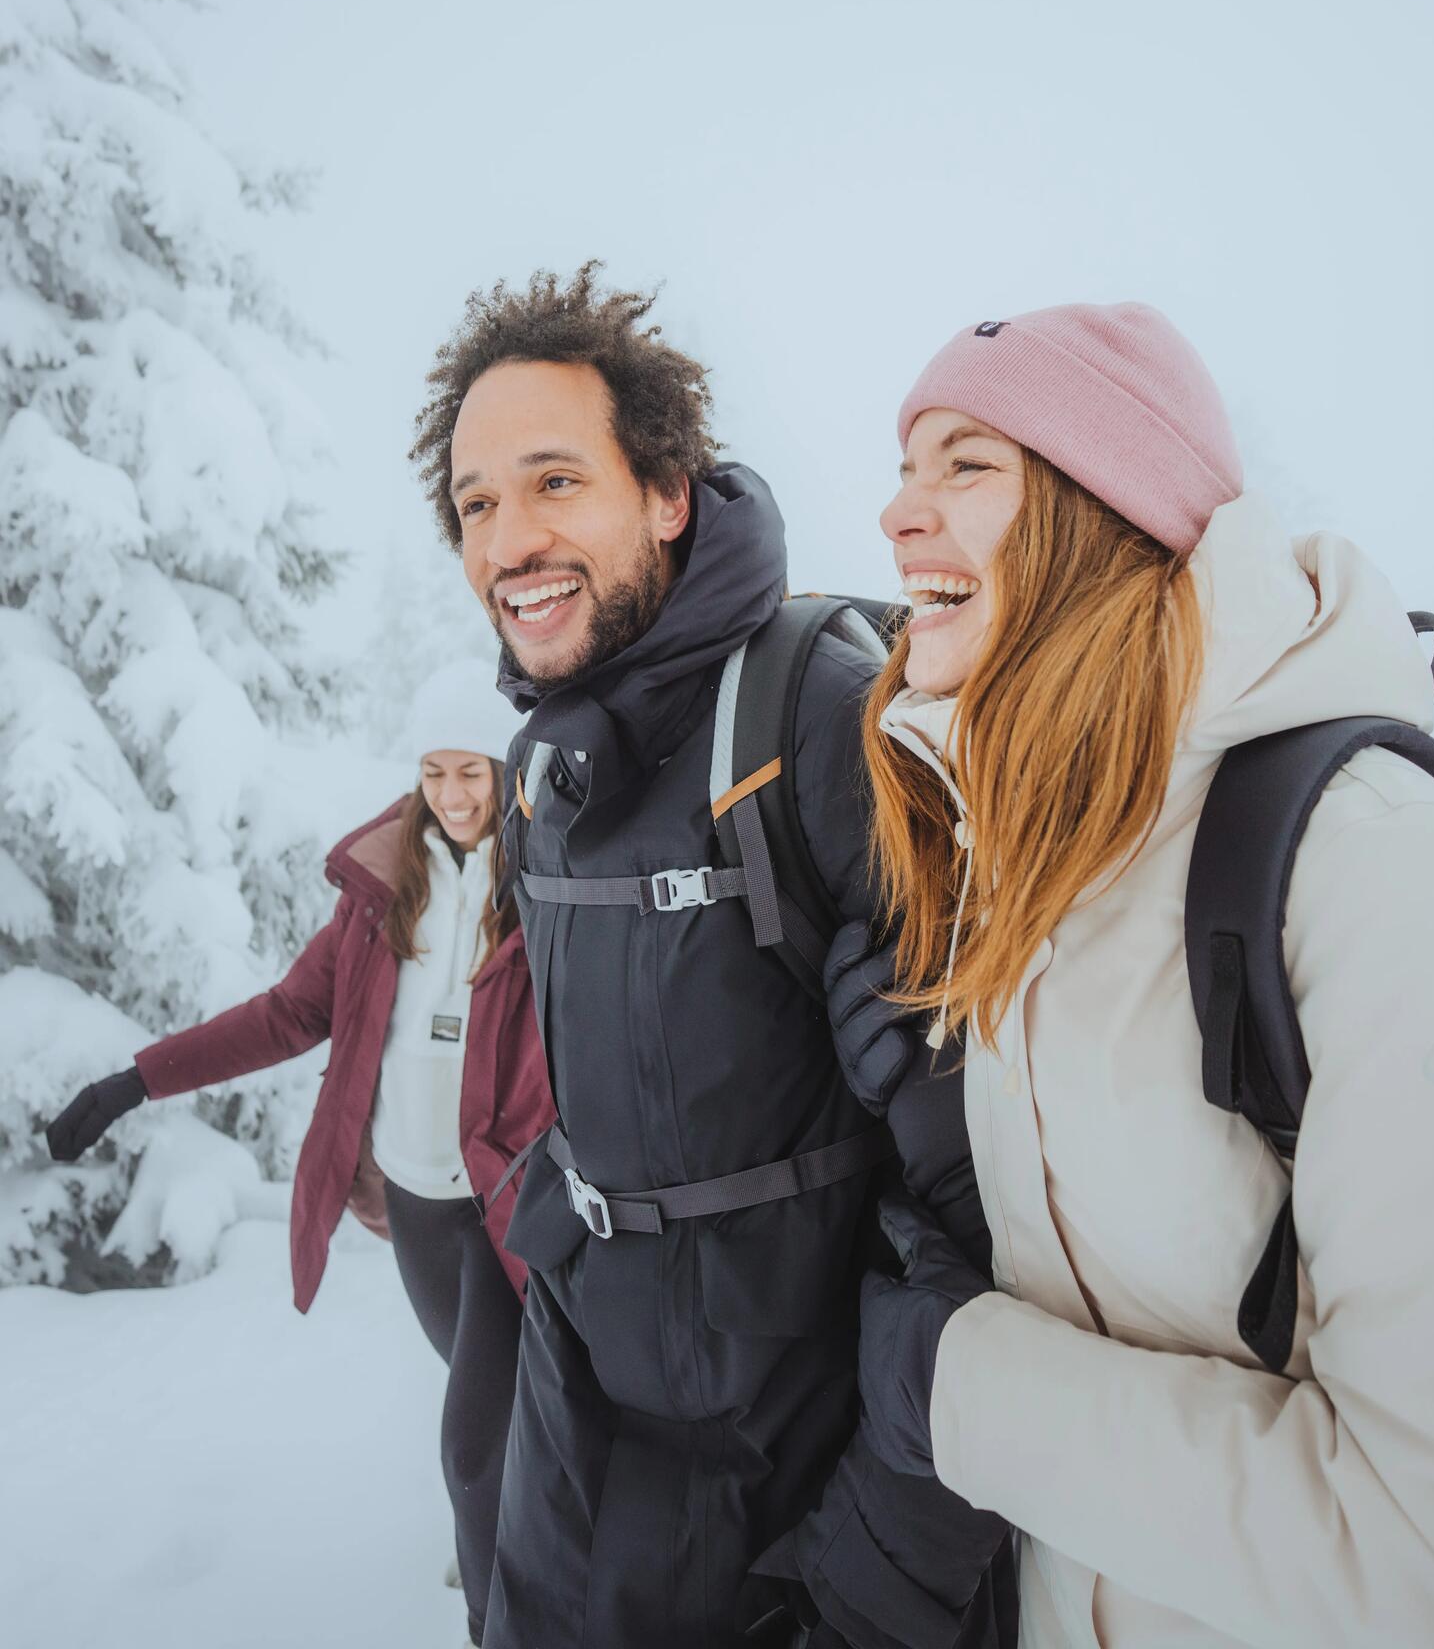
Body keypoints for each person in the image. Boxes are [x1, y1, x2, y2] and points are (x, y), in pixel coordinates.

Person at [850, 303, 1434, 1648]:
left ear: (1107, 513)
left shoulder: (1387, 874)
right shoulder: (1047, 877)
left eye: (967, 465)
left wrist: (959, 1390)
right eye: (906, 469)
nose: (899, 513)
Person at [407, 263, 1007, 1649]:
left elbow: (984, 1235)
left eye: (556, 482)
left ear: (668, 494)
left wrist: (860, 1589)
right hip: (578, 1473)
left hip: (790, 1519)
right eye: (477, 504)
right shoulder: (544, 771)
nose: (509, 541)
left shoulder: (820, 722)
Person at [46, 663, 551, 1649]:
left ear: (507, 772)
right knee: (493, 1410)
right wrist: (133, 1082)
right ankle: (517, 1530)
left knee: (472, 1450)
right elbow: (285, 1015)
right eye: (435, 772)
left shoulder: (543, 885)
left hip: (503, 1204)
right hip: (416, 1208)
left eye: (473, 773)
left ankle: (499, 1621)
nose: (453, 796)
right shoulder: (382, 896)